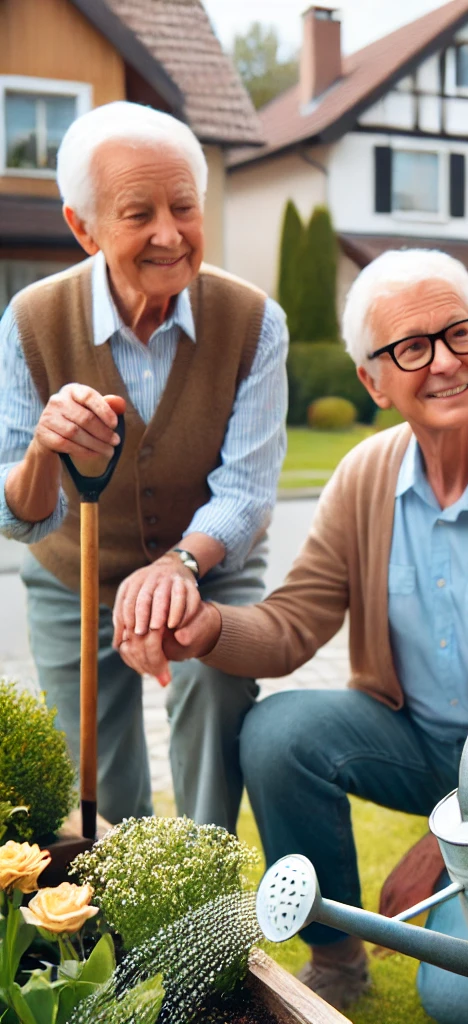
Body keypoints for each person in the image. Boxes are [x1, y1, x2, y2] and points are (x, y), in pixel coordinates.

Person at [117, 249, 468, 1021]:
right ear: (373, 382)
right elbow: (293, 622)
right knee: (280, 730)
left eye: (462, 334)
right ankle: (336, 958)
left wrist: (452, 846)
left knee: (466, 1003)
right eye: (412, 347)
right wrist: (205, 627)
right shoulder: (364, 476)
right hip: (412, 742)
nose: (446, 361)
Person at [0, 101, 287, 831]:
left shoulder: (255, 320)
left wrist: (179, 568)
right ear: (83, 226)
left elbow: (248, 490)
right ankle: (118, 908)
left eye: (184, 207)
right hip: (76, 575)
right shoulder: (31, 321)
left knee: (215, 692)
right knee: (96, 771)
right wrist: (43, 447)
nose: (169, 233)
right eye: (138, 213)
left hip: (210, 563)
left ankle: (202, 888)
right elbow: (20, 517)